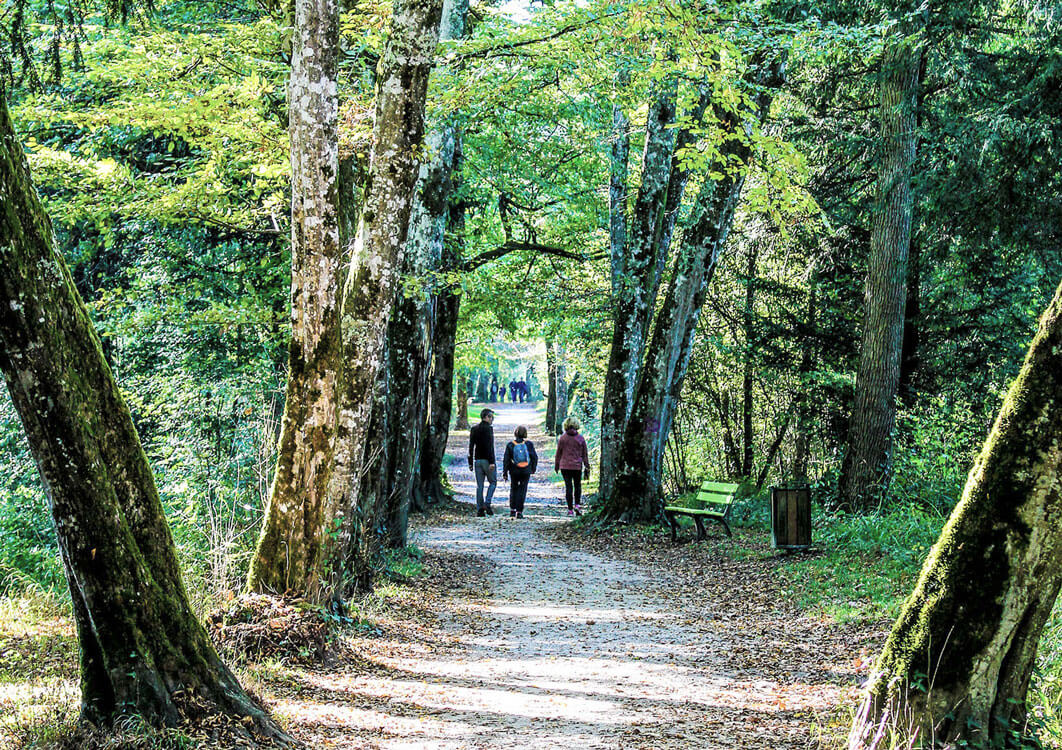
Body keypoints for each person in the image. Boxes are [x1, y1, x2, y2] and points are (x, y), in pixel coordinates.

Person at [554, 416, 590, 516]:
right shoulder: (580, 438)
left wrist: (556, 465)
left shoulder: (563, 438)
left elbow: (558, 453)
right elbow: (584, 454)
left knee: (568, 487)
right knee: (577, 486)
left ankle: (570, 509)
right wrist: (587, 466)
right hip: (577, 466)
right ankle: (577, 505)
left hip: (565, 466)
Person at [502, 425, 538, 518]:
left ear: (515, 433)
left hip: (514, 470)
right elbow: (534, 457)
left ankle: (512, 509)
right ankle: (519, 511)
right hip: (526, 471)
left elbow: (506, 459)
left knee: (513, 488)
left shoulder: (510, 445)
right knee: (522, 489)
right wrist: (533, 468)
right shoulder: (529, 444)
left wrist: (505, 472)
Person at [468, 408, 497, 517]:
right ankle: (487, 503)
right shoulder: (488, 429)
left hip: (477, 460)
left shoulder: (474, 429)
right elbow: (490, 446)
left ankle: (480, 509)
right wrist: (492, 462)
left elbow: (471, 446)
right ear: (485, 417)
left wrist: (470, 462)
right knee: (493, 482)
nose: (491, 419)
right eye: (490, 417)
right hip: (486, 460)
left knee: (479, 486)